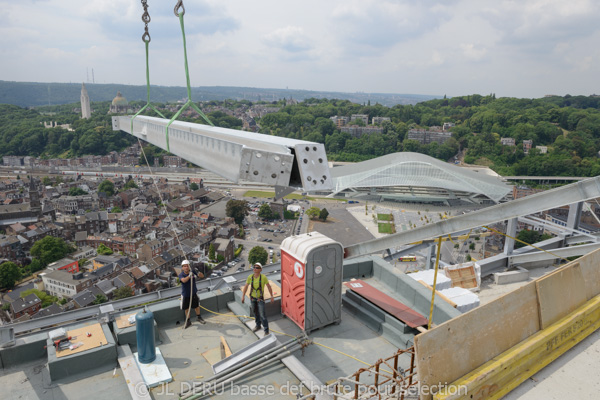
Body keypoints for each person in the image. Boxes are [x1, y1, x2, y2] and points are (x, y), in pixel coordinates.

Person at [241, 262, 274, 335]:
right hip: (253, 298)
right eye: (254, 267)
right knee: (255, 312)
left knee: (262, 315)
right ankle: (258, 325)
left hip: (260, 299)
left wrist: (272, 296)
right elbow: (246, 287)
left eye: (257, 267)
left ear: (260, 270)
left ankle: (266, 330)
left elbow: (269, 287)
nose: (255, 269)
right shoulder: (250, 277)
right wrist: (243, 296)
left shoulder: (263, 277)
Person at [179, 260, 205, 328]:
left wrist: (198, 272)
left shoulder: (193, 271)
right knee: (187, 308)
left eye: (187, 266)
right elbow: (183, 281)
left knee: (197, 306)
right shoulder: (181, 275)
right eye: (184, 266)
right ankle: (188, 321)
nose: (186, 267)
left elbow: (202, 276)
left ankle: (199, 317)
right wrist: (189, 276)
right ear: (182, 268)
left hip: (193, 293)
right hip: (186, 294)